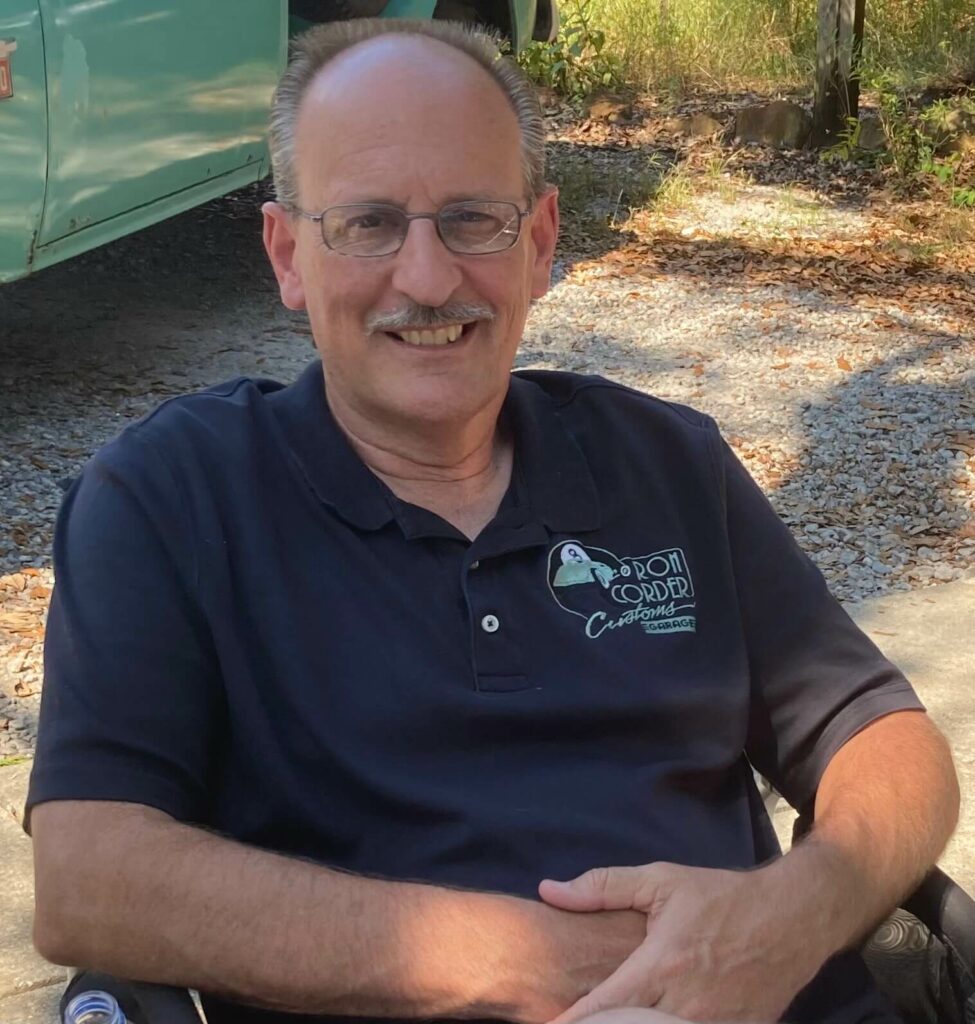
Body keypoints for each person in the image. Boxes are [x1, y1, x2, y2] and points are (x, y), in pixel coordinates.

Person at [26, 18, 959, 1024]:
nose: (427, 280)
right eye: (370, 223)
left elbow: (891, 743)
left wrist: (781, 922)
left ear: (542, 243)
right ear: (288, 254)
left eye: (473, 220)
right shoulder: (173, 498)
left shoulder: (668, 464)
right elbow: (92, 877)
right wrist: (555, 965)